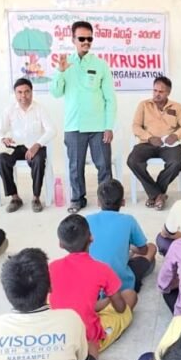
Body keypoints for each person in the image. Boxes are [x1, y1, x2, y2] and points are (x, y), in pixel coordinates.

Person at [50, 20, 117, 215]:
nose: (86, 42)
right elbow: (55, 92)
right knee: (75, 166)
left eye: (89, 38)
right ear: (73, 39)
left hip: (98, 126)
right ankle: (77, 199)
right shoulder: (65, 63)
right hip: (74, 126)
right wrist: (60, 72)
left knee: (104, 165)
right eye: (82, 38)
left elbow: (110, 99)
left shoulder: (100, 65)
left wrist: (109, 126)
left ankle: (107, 202)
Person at [49, 214, 136, 356]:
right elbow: (120, 308)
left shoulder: (51, 267)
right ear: (91, 238)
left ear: (61, 244)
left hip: (57, 336)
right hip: (87, 338)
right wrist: (109, 298)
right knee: (130, 296)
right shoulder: (102, 269)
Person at [128, 76, 181, 210]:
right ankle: (158, 195)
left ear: (168, 92)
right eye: (155, 90)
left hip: (169, 144)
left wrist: (176, 135)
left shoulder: (177, 107)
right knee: (133, 161)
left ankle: (154, 195)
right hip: (147, 142)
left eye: (161, 92)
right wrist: (149, 137)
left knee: (176, 164)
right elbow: (135, 126)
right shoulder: (144, 105)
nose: (157, 94)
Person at [0, 77, 56, 214]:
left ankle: (36, 198)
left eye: (27, 92)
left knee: (39, 160)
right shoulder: (9, 110)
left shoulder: (40, 109)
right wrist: (3, 138)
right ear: (15, 94)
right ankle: (15, 198)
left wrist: (37, 144)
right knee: (1, 160)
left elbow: (52, 130)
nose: (23, 96)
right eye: (20, 92)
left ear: (32, 92)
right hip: (17, 148)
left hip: (36, 147)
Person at [86, 179, 157, 292]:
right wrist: (130, 248)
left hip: (92, 284)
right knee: (152, 247)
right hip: (121, 284)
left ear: (98, 202)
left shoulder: (87, 220)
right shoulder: (128, 220)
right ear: (123, 202)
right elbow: (143, 250)